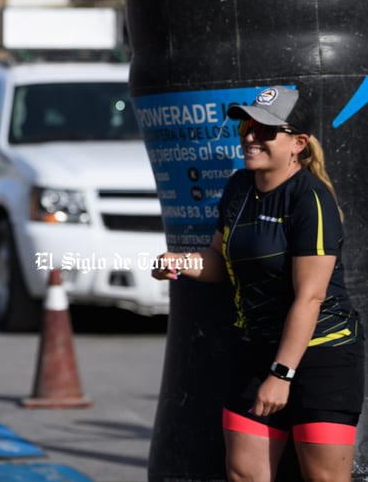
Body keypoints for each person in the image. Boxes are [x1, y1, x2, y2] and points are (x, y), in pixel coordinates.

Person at [151, 86, 364, 482]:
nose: (250, 136)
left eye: (266, 130)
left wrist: (281, 376)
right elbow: (218, 259)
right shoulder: (238, 188)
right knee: (245, 474)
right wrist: (180, 264)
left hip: (322, 357)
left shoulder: (311, 200)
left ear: (298, 143)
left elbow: (311, 297)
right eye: (247, 125)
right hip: (256, 350)